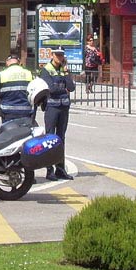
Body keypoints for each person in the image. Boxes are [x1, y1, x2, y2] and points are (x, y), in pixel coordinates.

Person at [39, 49, 75, 181]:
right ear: (52, 55)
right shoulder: (46, 70)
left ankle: (61, 169)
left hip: (64, 107)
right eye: (57, 55)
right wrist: (63, 89)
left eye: (62, 55)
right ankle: (49, 170)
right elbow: (51, 89)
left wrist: (66, 73)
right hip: (52, 108)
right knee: (49, 139)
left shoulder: (63, 69)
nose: (60, 57)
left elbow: (71, 87)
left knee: (61, 139)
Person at [0, 53, 33, 126]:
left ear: (7, 62)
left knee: (8, 135)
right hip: (26, 113)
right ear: (19, 62)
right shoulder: (29, 74)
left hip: (8, 114)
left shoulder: (2, 75)